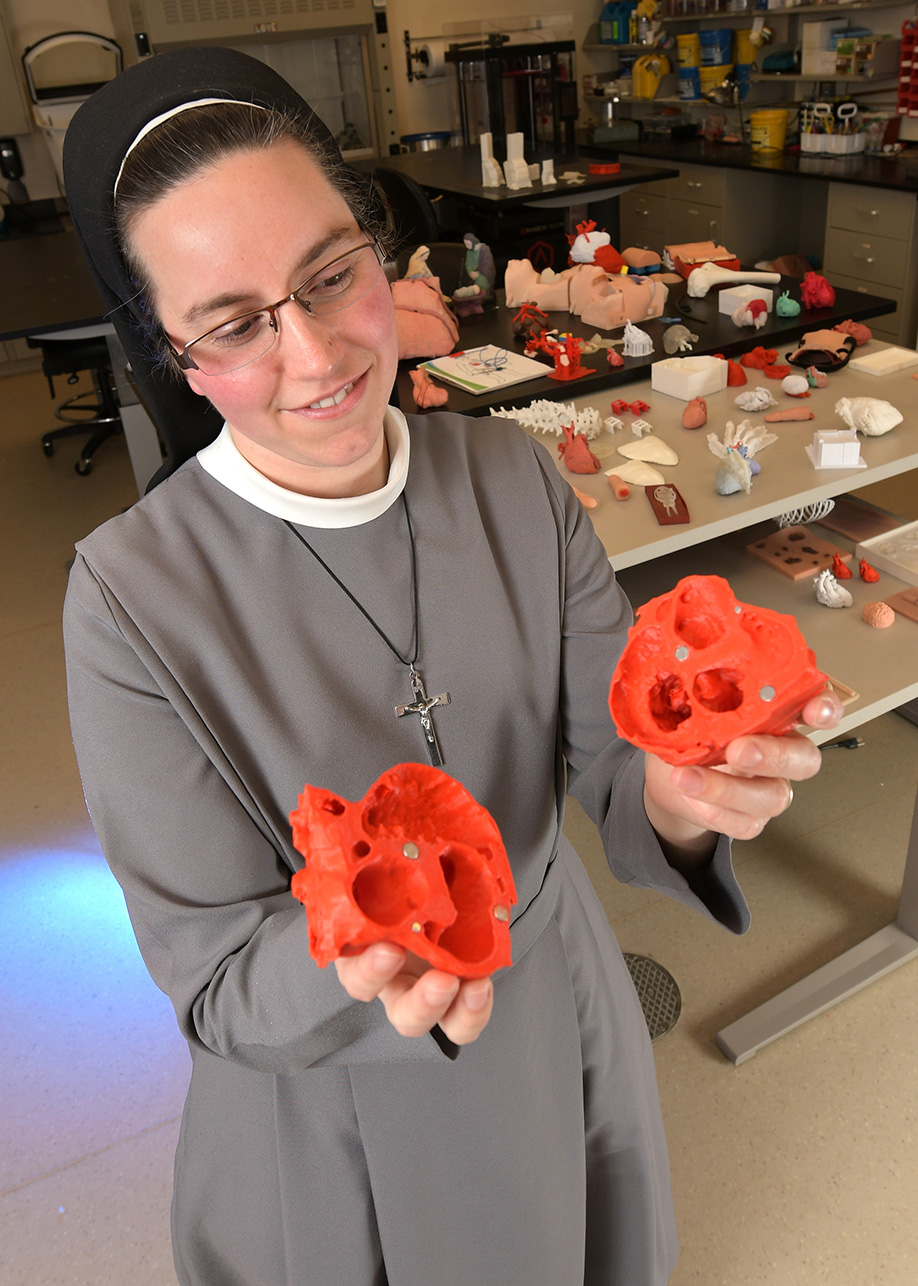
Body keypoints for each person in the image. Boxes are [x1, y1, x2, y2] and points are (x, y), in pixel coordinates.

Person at [62, 46, 841, 1286]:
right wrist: (366, 948)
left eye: (332, 275)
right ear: (174, 356)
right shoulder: (127, 599)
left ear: (384, 255)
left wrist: (680, 802)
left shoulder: (514, 476)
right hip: (339, 1084)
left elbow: (611, 768)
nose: (315, 356)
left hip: (554, 999)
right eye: (234, 323)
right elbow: (214, 981)